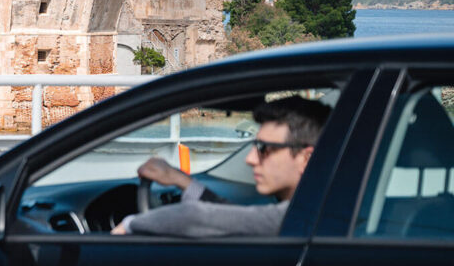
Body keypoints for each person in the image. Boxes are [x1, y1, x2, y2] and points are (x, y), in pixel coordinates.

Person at [112, 95, 332, 237]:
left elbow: (196, 217)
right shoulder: (328, 207)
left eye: (264, 148)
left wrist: (130, 225)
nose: (250, 159)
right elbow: (239, 219)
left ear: (306, 158)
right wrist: (182, 181)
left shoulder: (308, 215)